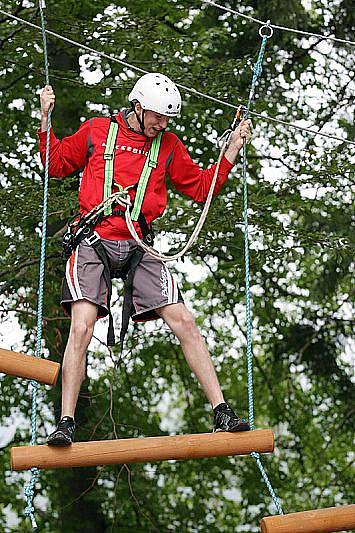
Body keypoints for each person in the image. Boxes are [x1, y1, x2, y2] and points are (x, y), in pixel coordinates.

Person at [38, 73, 252, 445]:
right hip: (94, 238)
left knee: (184, 320)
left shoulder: (168, 146)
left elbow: (201, 188)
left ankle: (222, 412)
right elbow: (55, 165)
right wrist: (45, 118)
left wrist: (231, 149)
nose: (163, 124)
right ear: (137, 107)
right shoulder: (96, 132)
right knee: (82, 325)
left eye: (168, 119)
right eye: (157, 117)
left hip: (140, 246)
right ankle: (67, 421)